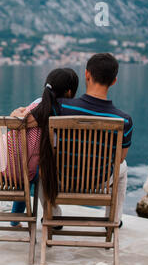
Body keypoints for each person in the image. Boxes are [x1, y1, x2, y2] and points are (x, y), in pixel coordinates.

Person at [11, 53, 133, 228]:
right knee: (123, 166)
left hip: (62, 179)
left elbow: (25, 122)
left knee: (44, 164)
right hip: (99, 182)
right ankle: (113, 219)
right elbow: (119, 159)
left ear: (87, 75)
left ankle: (53, 217)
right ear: (114, 81)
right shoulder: (125, 120)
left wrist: (18, 112)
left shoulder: (60, 106)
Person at [6, 68, 79, 228]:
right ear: (69, 91)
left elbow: (16, 119)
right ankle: (53, 215)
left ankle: (16, 218)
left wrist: (16, 112)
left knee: (30, 170)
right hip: (49, 168)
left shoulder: (38, 103)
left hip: (15, 163)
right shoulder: (67, 109)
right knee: (41, 169)